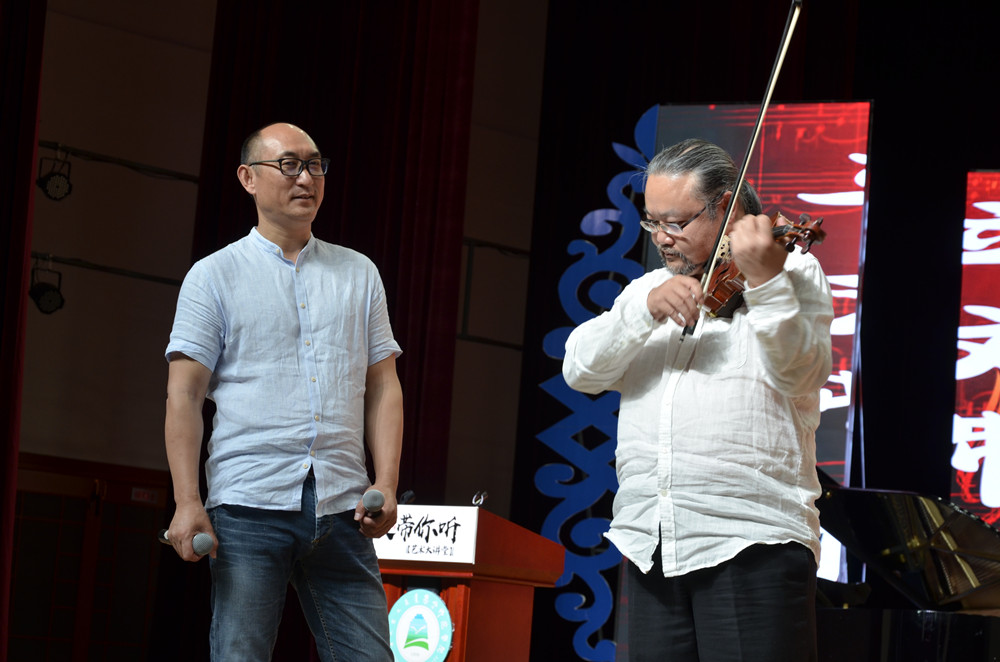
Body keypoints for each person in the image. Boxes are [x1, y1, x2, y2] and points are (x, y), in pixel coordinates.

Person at [562, 139, 833, 661]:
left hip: (750, 537)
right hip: (652, 539)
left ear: (726, 207)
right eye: (651, 222)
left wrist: (766, 282)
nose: (662, 238)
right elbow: (580, 370)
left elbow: (802, 371)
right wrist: (642, 311)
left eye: (676, 222)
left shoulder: (791, 272)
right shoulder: (647, 290)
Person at [163, 122, 402, 662]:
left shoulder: (359, 273)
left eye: (315, 165)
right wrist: (186, 501)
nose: (306, 178)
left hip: (344, 503)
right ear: (248, 178)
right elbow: (184, 396)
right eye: (288, 165)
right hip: (249, 502)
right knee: (240, 655)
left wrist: (386, 481)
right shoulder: (213, 275)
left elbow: (384, 384)